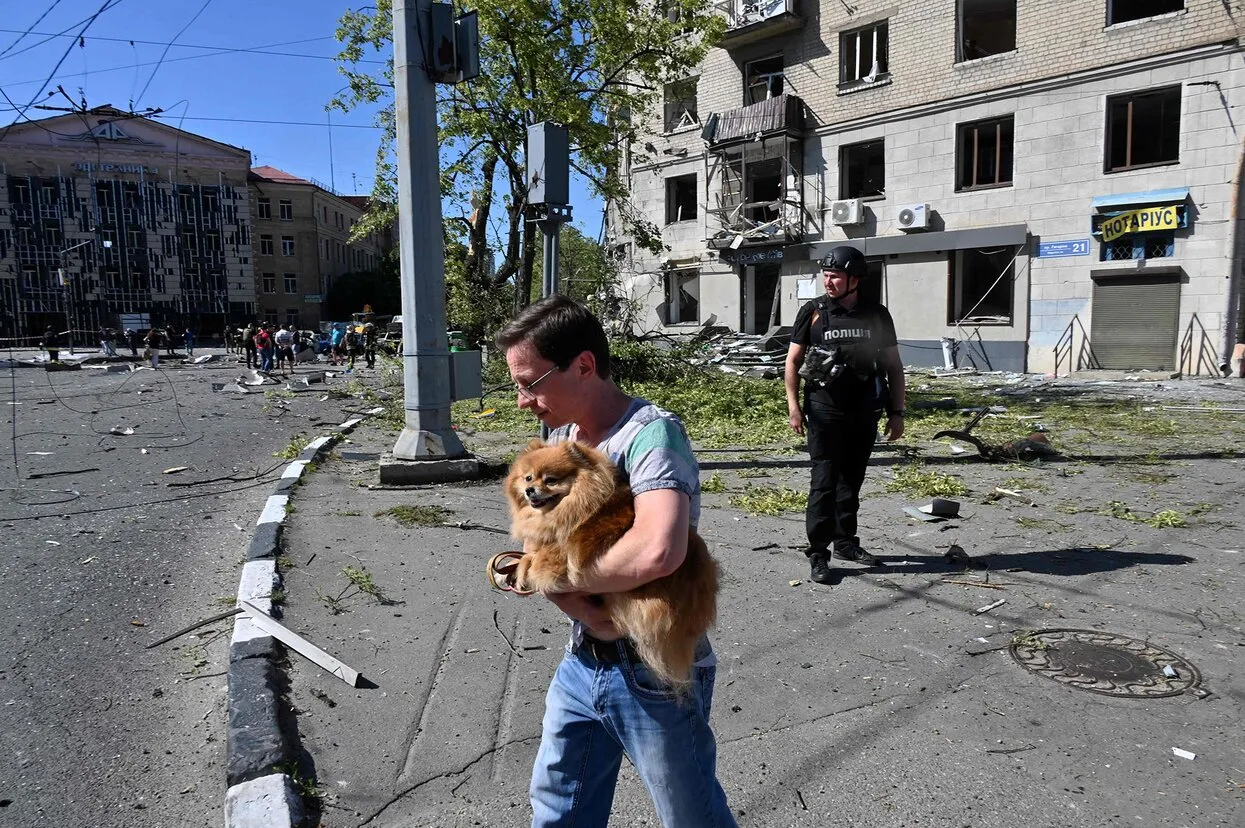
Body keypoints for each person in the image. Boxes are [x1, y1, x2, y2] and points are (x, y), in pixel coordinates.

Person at [496, 294, 736, 828]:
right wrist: (579, 608)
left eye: (529, 383)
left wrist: (549, 575)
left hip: (654, 671)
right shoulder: (561, 438)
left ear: (583, 365)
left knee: (691, 818)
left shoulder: (652, 434)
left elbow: (658, 549)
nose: (521, 400)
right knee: (559, 811)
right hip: (583, 661)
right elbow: (543, 538)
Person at [784, 246, 906, 586]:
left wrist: (897, 412)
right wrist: (794, 406)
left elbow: (894, 367)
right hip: (824, 409)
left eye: (834, 275)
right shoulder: (813, 312)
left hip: (865, 410)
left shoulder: (877, 315)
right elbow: (792, 363)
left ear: (855, 279)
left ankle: (846, 543)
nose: (828, 281)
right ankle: (819, 553)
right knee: (824, 481)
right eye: (825, 275)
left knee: (851, 481)